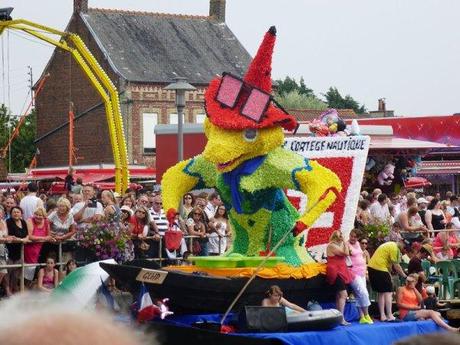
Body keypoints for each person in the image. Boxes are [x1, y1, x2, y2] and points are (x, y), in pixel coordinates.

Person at [368, 240, 407, 321]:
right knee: (388, 292)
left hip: (372, 267)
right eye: (404, 247)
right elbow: (396, 266)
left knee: (381, 293)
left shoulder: (389, 245)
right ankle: (389, 315)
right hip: (380, 268)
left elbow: (389, 265)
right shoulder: (395, 248)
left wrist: (389, 275)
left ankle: (383, 316)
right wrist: (404, 276)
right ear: (402, 245)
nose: (403, 249)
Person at [326, 230, 354, 325]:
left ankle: (339, 318)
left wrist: (345, 245)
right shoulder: (332, 246)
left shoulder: (339, 245)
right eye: (339, 236)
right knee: (343, 295)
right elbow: (346, 253)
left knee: (339, 295)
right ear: (335, 238)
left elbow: (348, 253)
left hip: (341, 270)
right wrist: (346, 243)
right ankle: (341, 318)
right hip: (335, 271)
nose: (341, 237)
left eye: (341, 236)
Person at [347, 229, 372, 324]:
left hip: (362, 272)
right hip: (353, 272)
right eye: (351, 235)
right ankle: (367, 314)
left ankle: (361, 317)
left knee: (359, 295)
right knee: (364, 293)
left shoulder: (357, 244)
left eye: (355, 237)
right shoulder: (346, 244)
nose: (353, 238)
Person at [24, 207, 54, 283]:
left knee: (36, 270)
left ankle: (30, 285)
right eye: (36, 214)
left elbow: (49, 235)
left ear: (44, 216)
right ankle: (24, 286)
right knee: (28, 269)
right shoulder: (30, 220)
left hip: (40, 249)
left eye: (40, 215)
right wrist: (44, 238)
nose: (37, 216)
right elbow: (30, 236)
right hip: (29, 248)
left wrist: (42, 239)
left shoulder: (46, 221)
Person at [5, 206, 29, 293]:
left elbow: (27, 234)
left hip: (20, 251)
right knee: (8, 272)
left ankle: (13, 288)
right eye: (14, 212)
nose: (16, 213)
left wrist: (26, 238)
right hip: (10, 251)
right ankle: (8, 291)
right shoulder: (8, 222)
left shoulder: (23, 222)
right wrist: (21, 240)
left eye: (17, 212)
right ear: (11, 214)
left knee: (16, 273)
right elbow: (10, 236)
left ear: (21, 213)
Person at [47, 197, 77, 263]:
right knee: (53, 261)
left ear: (67, 207)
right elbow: (46, 225)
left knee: (63, 261)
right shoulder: (54, 214)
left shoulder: (70, 216)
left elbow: (73, 230)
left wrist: (63, 237)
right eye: (60, 206)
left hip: (64, 241)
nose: (61, 208)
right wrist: (50, 233)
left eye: (63, 206)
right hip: (53, 241)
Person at [0, 214, 12, 296]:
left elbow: (5, 235)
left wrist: (10, 237)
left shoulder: (3, 222)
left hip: (2, 251)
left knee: (3, 272)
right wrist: (5, 239)